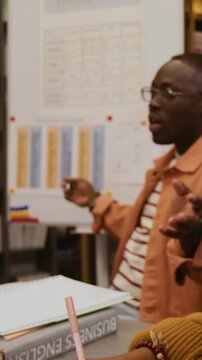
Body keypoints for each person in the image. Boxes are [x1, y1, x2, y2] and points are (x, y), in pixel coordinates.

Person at [62, 53, 202, 323]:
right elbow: (147, 231)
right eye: (152, 92)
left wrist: (193, 238)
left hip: (158, 330)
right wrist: (94, 200)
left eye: (168, 93)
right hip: (120, 305)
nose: (153, 103)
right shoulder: (168, 165)